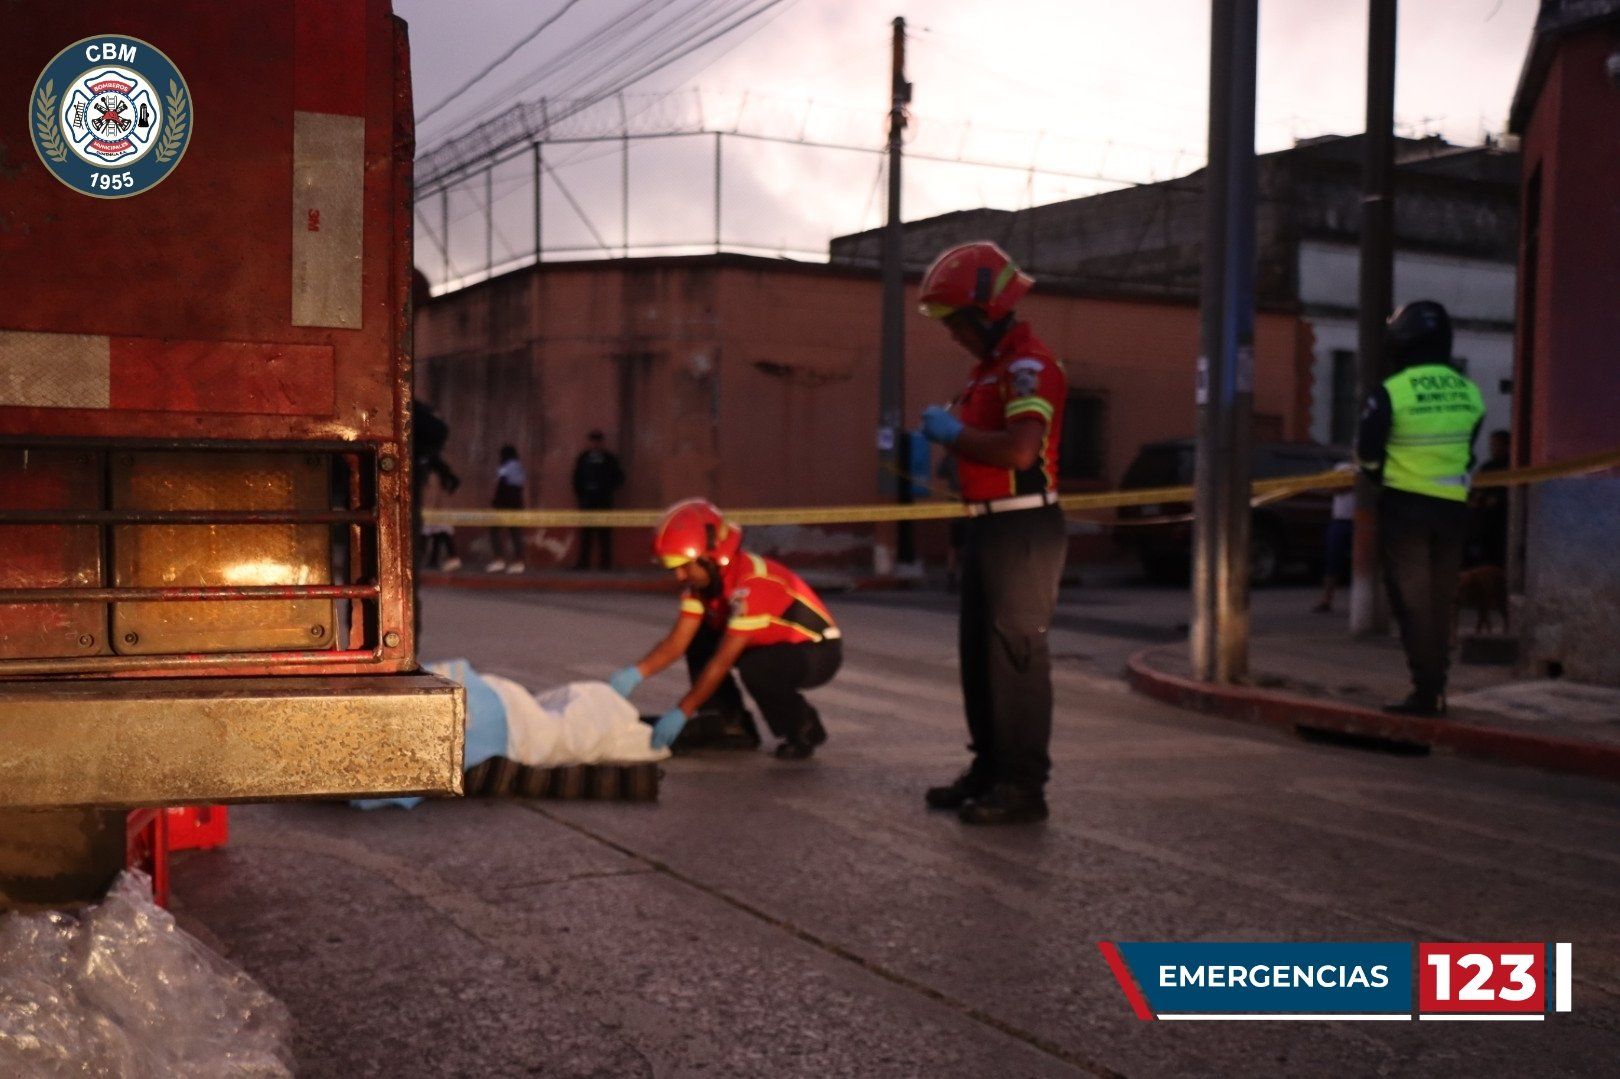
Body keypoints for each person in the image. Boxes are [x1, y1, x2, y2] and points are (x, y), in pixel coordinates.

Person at [915, 241, 1068, 826]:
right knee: (978, 658)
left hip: (1022, 526)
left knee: (1017, 657)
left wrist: (951, 435)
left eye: (957, 323)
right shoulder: (989, 370)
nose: (953, 334)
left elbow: (1020, 448)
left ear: (984, 312)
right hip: (987, 525)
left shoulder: (1029, 365)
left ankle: (1024, 787)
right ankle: (988, 770)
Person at [607, 499, 843, 760]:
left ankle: (803, 728)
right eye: (674, 568)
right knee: (700, 640)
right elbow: (677, 643)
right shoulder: (703, 586)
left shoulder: (752, 583)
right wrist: (634, 674)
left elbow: (722, 661)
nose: (679, 577)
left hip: (817, 652)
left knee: (758, 668)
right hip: (764, 645)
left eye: (684, 566)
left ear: (710, 558)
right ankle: (728, 724)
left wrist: (682, 711)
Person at [1356, 300, 1486, 717]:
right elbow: (1467, 451)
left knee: (1413, 604)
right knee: (1442, 600)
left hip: (1406, 510)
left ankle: (1426, 692)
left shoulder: (1391, 392)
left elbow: (1367, 454)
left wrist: (1381, 477)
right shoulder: (1469, 393)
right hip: (1453, 511)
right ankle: (1437, 687)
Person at [572, 430, 625, 570]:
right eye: (593, 441)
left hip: (604, 501)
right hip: (587, 501)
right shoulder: (584, 458)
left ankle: (605, 564)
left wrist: (606, 488)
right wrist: (582, 495)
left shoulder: (609, 459)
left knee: (604, 534)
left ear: (601, 443)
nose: (595, 444)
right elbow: (576, 478)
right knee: (586, 534)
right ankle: (583, 563)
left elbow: (619, 478)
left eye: (597, 441)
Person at [1312, 462, 1357, 614]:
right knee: (1332, 561)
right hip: (1340, 520)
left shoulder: (1368, 468)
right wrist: (1350, 482)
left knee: (1367, 563)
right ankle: (1326, 600)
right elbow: (1332, 488)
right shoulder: (1343, 468)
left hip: (1361, 522)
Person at [1468, 429, 1511, 568]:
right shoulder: (1487, 467)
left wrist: (1495, 500)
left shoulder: (1512, 467)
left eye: (1496, 445)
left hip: (1500, 520)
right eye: (1492, 445)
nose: (1493, 449)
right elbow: (1475, 491)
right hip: (1482, 521)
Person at [486, 444, 527, 574]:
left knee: (494, 530)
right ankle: (519, 562)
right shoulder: (518, 467)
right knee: (515, 532)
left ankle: (499, 560)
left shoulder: (506, 467)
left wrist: (496, 501)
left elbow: (502, 485)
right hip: (516, 504)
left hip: (505, 504)